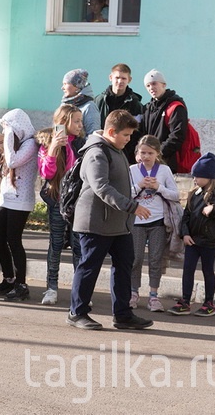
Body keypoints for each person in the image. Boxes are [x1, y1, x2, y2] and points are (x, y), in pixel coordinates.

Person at [67, 110, 154, 331]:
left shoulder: (116, 149)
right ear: (112, 131)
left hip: (118, 223)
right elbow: (101, 187)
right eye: (125, 135)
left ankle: (123, 315)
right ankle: (77, 313)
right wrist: (132, 207)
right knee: (89, 267)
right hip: (95, 222)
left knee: (125, 264)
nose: (128, 139)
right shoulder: (97, 152)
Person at [169, 153, 215, 317]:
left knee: (207, 270)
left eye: (197, 176)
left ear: (208, 176)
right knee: (188, 269)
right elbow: (185, 217)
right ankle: (185, 301)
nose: (194, 179)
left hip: (209, 241)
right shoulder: (194, 194)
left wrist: (214, 210)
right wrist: (184, 234)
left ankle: (209, 303)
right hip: (192, 240)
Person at [35, 104, 85, 306]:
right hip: (57, 200)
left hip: (77, 201)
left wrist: (69, 148)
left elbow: (76, 172)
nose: (80, 125)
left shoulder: (82, 143)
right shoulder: (48, 142)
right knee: (56, 244)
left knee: (77, 246)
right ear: (63, 122)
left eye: (81, 121)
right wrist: (55, 147)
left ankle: (79, 290)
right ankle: (51, 288)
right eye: (76, 121)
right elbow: (47, 173)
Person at [0, 109, 38, 302]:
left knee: (13, 240)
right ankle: (8, 278)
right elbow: (1, 168)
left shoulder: (30, 143)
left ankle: (21, 284)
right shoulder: (14, 145)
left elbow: (13, 160)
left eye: (8, 128)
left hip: (20, 200)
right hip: (6, 197)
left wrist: (7, 135)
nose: (6, 132)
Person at [128, 135, 179, 313]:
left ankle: (153, 296)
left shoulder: (164, 171)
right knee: (135, 259)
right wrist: (139, 185)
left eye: (150, 153)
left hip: (158, 222)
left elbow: (175, 195)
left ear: (157, 153)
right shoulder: (133, 170)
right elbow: (125, 196)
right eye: (143, 152)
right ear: (137, 153)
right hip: (136, 222)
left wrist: (159, 187)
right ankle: (133, 293)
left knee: (156, 259)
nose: (146, 156)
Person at [93, 63, 143, 164]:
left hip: (125, 154)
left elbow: (138, 132)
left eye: (124, 78)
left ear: (129, 80)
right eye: (117, 77)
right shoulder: (98, 101)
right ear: (111, 77)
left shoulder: (135, 104)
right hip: (102, 151)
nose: (120, 81)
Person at [140, 69, 188, 170]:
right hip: (149, 162)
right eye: (148, 86)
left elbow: (177, 135)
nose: (151, 88)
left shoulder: (175, 107)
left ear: (164, 85)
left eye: (154, 84)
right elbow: (142, 134)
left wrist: (158, 153)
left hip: (167, 163)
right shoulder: (147, 108)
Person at [61, 69, 100, 137]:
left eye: (65, 84)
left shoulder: (89, 106)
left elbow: (93, 136)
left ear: (77, 86)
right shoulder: (64, 104)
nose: (62, 88)